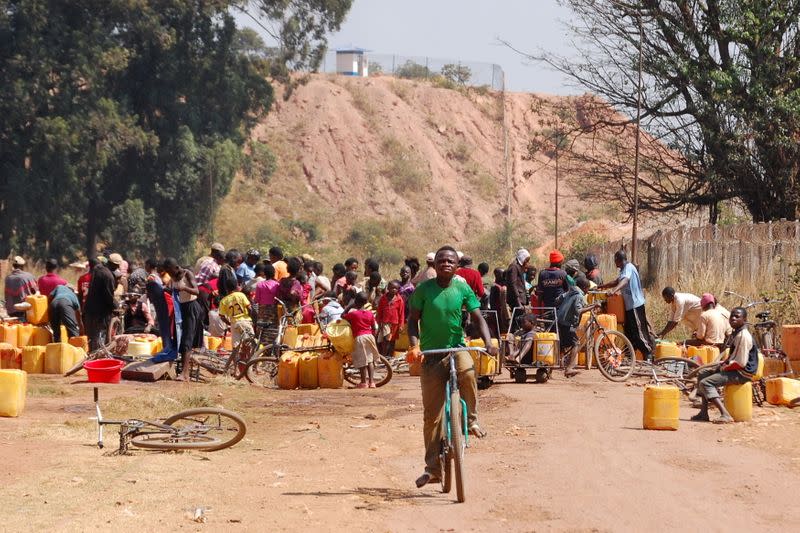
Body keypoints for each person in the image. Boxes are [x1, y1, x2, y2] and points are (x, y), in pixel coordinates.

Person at [407, 246, 498, 488]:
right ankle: (433, 469)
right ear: (434, 265)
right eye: (441, 261)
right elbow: (412, 321)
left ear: (457, 266)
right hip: (431, 355)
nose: (446, 264)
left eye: (450, 261)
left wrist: (489, 343)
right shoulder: (423, 290)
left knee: (469, 373)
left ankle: (471, 421)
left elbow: (478, 317)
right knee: (431, 417)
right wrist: (414, 346)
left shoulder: (462, 288)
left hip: (456, 348)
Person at [692, 307, 759, 423]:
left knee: (706, 383)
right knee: (703, 373)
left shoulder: (743, 336)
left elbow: (740, 363)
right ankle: (704, 413)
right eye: (732, 316)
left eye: (737, 316)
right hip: (736, 369)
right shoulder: (736, 333)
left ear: (744, 319)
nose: (733, 318)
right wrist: (722, 364)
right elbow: (733, 357)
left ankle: (725, 414)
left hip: (742, 373)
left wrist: (723, 367)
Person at [599, 250, 654, 361]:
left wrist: (614, 291)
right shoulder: (623, 270)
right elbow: (616, 281)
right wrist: (602, 286)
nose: (615, 263)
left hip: (635, 305)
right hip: (629, 307)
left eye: (615, 260)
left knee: (639, 332)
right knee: (629, 332)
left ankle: (648, 353)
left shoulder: (629, 267)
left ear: (619, 260)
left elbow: (625, 281)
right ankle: (630, 356)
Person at [164, 258, 204, 381]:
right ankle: (182, 370)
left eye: (170, 271)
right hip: (181, 308)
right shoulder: (173, 278)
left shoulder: (187, 274)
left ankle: (185, 374)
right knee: (179, 338)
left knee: (187, 339)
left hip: (192, 308)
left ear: (176, 268)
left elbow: (197, 291)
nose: (169, 274)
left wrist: (185, 288)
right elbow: (171, 289)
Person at [342, 292, 380, 389]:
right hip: (370, 336)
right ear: (366, 302)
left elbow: (342, 315)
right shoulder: (370, 313)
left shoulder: (353, 314)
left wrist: (349, 306)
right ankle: (372, 382)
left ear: (356, 302)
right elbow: (374, 327)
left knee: (362, 361)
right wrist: (373, 336)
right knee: (370, 360)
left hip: (360, 338)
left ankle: (363, 382)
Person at [557, 277, 590, 377]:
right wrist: (593, 307)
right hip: (567, 323)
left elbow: (557, 300)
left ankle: (560, 363)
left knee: (563, 344)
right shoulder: (579, 295)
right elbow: (578, 311)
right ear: (584, 288)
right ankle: (569, 368)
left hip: (560, 320)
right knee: (576, 343)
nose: (588, 291)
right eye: (588, 289)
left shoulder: (570, 291)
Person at [83, 260, 116, 350]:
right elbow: (109, 296)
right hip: (100, 313)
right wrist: (115, 306)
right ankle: (97, 357)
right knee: (98, 337)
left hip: (89, 310)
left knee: (91, 337)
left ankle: (92, 356)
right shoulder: (107, 275)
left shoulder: (96, 272)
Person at [218, 274, 254, 352]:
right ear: (236, 285)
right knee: (249, 344)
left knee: (236, 347)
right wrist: (250, 317)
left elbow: (222, 317)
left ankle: (236, 363)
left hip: (234, 324)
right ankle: (247, 361)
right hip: (245, 321)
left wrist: (229, 323)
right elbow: (250, 308)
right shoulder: (241, 295)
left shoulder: (223, 301)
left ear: (226, 288)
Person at [376, 280, 405, 358]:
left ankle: (390, 356)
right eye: (392, 288)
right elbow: (379, 311)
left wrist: (401, 325)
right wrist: (379, 322)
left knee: (392, 341)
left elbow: (401, 313)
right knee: (386, 340)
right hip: (385, 322)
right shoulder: (383, 298)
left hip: (395, 323)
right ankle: (384, 356)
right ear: (388, 288)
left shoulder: (399, 300)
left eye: (396, 288)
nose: (394, 290)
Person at [253, 263, 280, 346]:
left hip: (262, 310)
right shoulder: (277, 285)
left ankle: (261, 347)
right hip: (274, 310)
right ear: (274, 273)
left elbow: (256, 300)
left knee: (262, 329)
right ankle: (271, 347)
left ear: (264, 273)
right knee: (273, 328)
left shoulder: (260, 285)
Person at [489, 268, 510, 337]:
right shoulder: (495, 286)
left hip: (504, 310)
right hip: (497, 310)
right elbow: (492, 300)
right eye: (502, 274)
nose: (504, 276)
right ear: (497, 275)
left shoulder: (505, 285)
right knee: (499, 329)